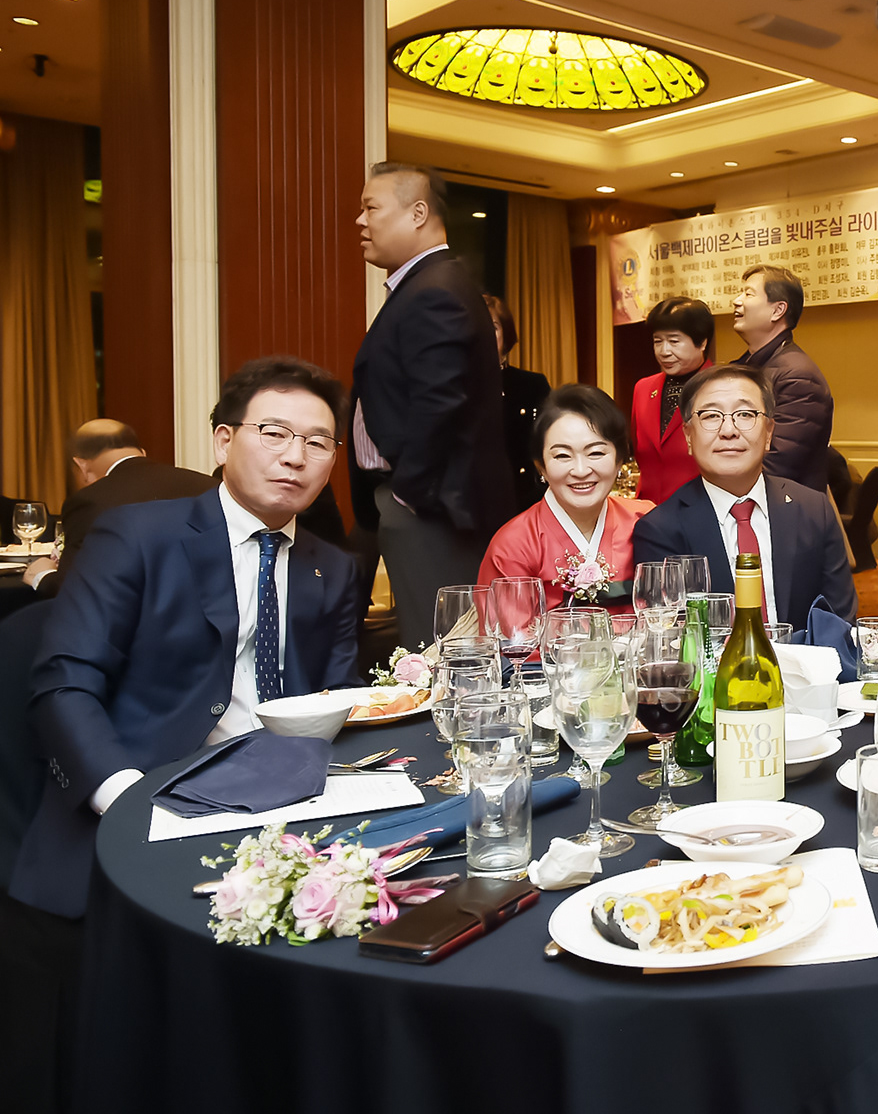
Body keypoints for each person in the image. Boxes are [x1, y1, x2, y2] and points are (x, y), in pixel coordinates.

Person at [9, 357, 364, 922]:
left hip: (286, 805)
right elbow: (64, 682)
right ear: (223, 442)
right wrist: (127, 800)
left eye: (318, 443)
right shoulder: (137, 536)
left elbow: (336, 695)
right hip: (149, 795)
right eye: (274, 434)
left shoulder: (335, 568)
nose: (296, 457)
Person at [349, 162, 514, 651]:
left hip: (430, 510)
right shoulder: (428, 284)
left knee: (442, 650)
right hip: (421, 504)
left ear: (418, 213)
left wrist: (408, 492)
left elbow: (440, 402)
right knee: (437, 644)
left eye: (371, 208)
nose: (360, 221)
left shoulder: (434, 290)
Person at [632, 364, 855, 625]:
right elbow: (668, 633)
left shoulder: (813, 510)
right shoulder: (660, 529)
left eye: (745, 414)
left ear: (769, 433)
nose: (729, 430)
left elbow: (839, 620)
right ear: (689, 436)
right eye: (711, 416)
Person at [479, 385, 647, 613]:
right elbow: (510, 634)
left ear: (620, 459)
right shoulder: (514, 545)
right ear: (541, 466)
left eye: (596, 453)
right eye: (562, 455)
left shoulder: (645, 522)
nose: (580, 470)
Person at [22, 419, 215, 597]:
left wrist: (42, 576)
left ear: (81, 467)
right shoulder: (209, 486)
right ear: (141, 452)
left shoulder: (90, 501)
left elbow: (77, 592)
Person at [731, 264, 834, 493]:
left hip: (781, 506)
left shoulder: (798, 378)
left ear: (778, 310)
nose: (737, 301)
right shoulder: (743, 367)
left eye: (748, 294)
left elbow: (775, 466)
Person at [630, 295, 714, 505]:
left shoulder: (721, 387)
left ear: (702, 342)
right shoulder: (643, 388)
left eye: (674, 341)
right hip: (648, 509)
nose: (664, 351)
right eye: (658, 341)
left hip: (701, 508)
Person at [485, 295, 551, 514]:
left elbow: (550, 442)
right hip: (473, 505)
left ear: (506, 334)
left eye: (493, 327)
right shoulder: (455, 387)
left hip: (526, 499)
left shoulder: (532, 384)